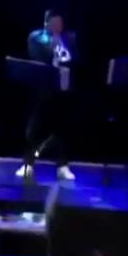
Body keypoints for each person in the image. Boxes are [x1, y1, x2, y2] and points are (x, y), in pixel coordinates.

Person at [19, 10, 78, 182]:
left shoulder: (69, 38)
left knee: (63, 130)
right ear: (47, 23)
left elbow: (75, 59)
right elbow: (36, 57)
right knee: (34, 129)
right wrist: (53, 46)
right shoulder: (36, 37)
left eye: (61, 23)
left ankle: (63, 166)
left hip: (63, 91)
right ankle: (28, 164)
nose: (59, 26)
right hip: (42, 92)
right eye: (55, 23)